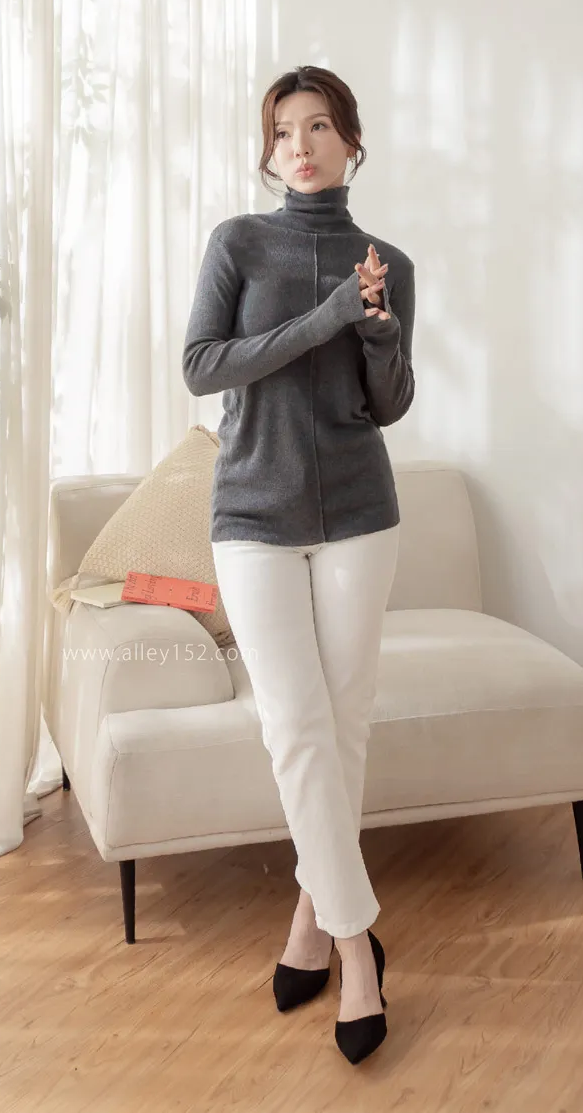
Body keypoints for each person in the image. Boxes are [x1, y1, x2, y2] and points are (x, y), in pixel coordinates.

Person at [182, 65, 416, 1064]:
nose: (301, 145)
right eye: (284, 131)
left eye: (320, 127)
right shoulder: (238, 242)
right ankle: (360, 950)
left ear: (351, 142)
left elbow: (388, 403)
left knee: (343, 723)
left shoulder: (387, 262)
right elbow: (202, 364)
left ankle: (309, 921)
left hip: (361, 512)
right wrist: (325, 317)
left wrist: (379, 332)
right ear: (269, 150)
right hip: (252, 513)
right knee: (293, 724)